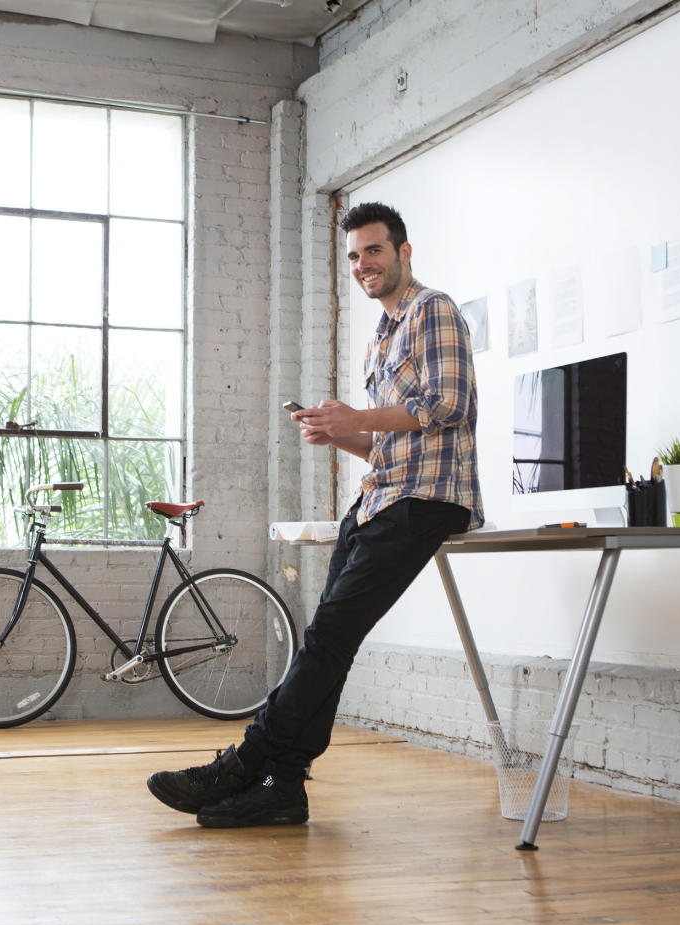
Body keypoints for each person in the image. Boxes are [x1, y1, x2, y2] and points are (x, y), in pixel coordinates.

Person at [147, 201, 484, 828]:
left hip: (426, 501)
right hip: (379, 497)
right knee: (330, 642)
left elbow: (449, 404)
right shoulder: (382, 336)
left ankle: (244, 764)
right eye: (354, 256)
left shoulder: (433, 310)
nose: (363, 265)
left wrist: (356, 418)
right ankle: (284, 785)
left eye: (374, 251)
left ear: (403, 252)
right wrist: (340, 435)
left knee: (328, 637)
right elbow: (389, 439)